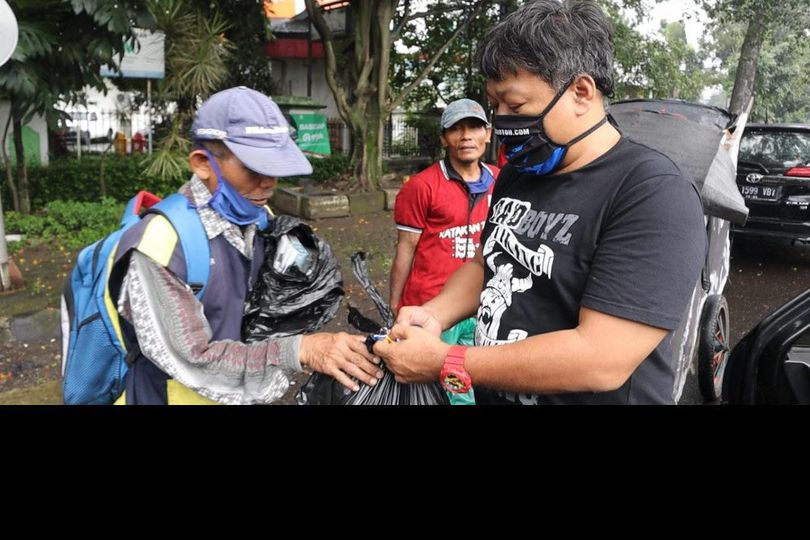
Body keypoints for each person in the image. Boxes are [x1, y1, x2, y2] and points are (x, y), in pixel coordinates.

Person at [374, 0, 707, 405]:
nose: (500, 120)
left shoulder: (652, 193)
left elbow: (601, 358)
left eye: (514, 106)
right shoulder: (519, 173)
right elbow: (488, 264)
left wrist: (448, 360)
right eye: (496, 105)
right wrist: (436, 314)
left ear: (581, 92)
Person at [110, 86, 383, 404]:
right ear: (203, 163)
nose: (269, 183)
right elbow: (196, 359)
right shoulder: (160, 245)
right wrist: (302, 349)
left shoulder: (256, 218)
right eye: (255, 168)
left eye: (276, 168)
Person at [389, 99, 499, 404]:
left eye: (475, 127)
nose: (466, 136)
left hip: (481, 303)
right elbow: (406, 247)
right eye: (456, 129)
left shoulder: (501, 181)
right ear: (443, 138)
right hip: (434, 305)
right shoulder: (421, 187)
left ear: (488, 133)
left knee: (477, 377)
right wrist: (395, 303)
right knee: (440, 388)